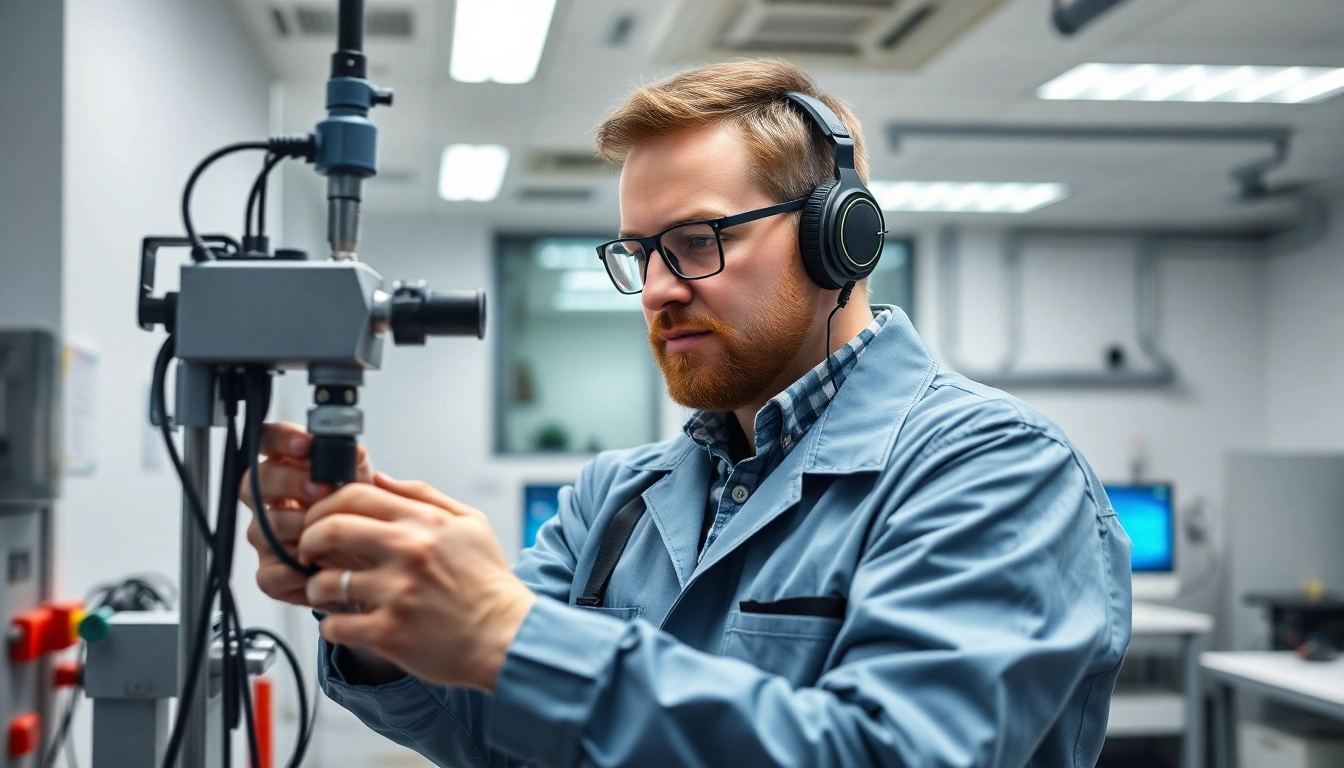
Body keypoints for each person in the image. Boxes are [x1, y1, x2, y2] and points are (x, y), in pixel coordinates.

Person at [243, 58, 1132, 768]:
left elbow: (893, 751)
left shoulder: (993, 470)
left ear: (839, 237)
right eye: (638, 254)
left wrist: (511, 636)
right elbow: (498, 740)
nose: (659, 290)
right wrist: (376, 615)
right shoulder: (617, 495)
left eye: (698, 240)